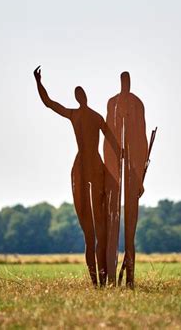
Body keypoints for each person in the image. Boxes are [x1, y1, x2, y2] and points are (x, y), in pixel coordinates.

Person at [33, 66, 107, 286]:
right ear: (79, 98)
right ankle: (96, 282)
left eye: (81, 95)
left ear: (82, 97)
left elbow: (113, 141)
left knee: (98, 229)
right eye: (78, 95)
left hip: (91, 165)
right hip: (83, 167)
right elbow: (49, 103)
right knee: (89, 232)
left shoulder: (90, 116)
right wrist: (38, 83)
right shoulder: (85, 115)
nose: (80, 98)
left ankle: (101, 279)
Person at [103, 71, 148, 288]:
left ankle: (129, 278)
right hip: (115, 167)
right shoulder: (112, 104)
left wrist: (139, 174)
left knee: (130, 228)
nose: (125, 84)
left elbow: (142, 137)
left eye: (128, 81)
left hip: (132, 167)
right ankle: (111, 278)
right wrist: (109, 168)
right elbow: (108, 136)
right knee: (113, 224)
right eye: (123, 81)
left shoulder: (138, 104)